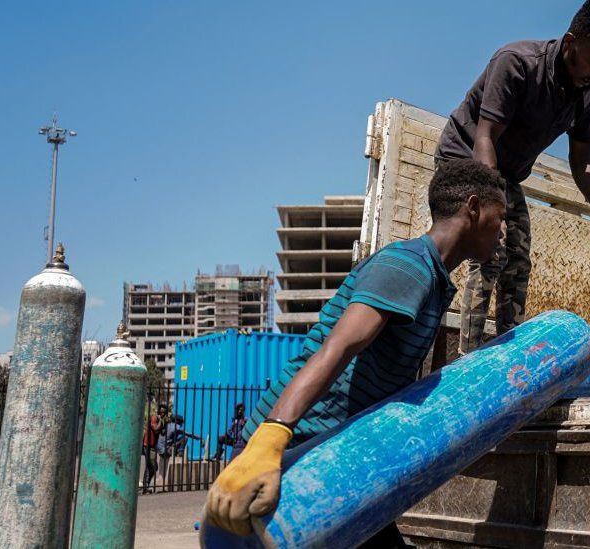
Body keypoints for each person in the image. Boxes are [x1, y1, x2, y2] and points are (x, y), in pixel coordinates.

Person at [205, 159, 506, 545]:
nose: (503, 233)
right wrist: (269, 441)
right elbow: (338, 348)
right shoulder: (408, 267)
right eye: (500, 218)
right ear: (474, 207)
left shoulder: (433, 278)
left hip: (338, 451)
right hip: (292, 449)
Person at [436, 0, 590, 354]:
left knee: (518, 259)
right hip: (465, 156)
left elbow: (582, 157)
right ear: (571, 41)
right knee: (491, 252)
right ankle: (467, 356)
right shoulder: (517, 63)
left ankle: (510, 352)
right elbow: (485, 138)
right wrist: (489, 210)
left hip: (507, 173)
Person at [156, 414, 200, 490]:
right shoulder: (176, 427)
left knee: (175, 439)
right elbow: (187, 434)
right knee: (185, 437)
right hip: (166, 450)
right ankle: (180, 452)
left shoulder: (168, 425)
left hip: (159, 449)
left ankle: (177, 451)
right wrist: (197, 438)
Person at [141, 403, 167, 494]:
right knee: (152, 466)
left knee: (151, 467)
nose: (163, 414)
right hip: (147, 445)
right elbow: (155, 429)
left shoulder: (161, 420)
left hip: (152, 446)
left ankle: (146, 486)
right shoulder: (154, 418)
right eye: (162, 412)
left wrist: (164, 424)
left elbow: (162, 433)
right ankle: (145, 486)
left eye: (164, 412)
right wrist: (161, 422)